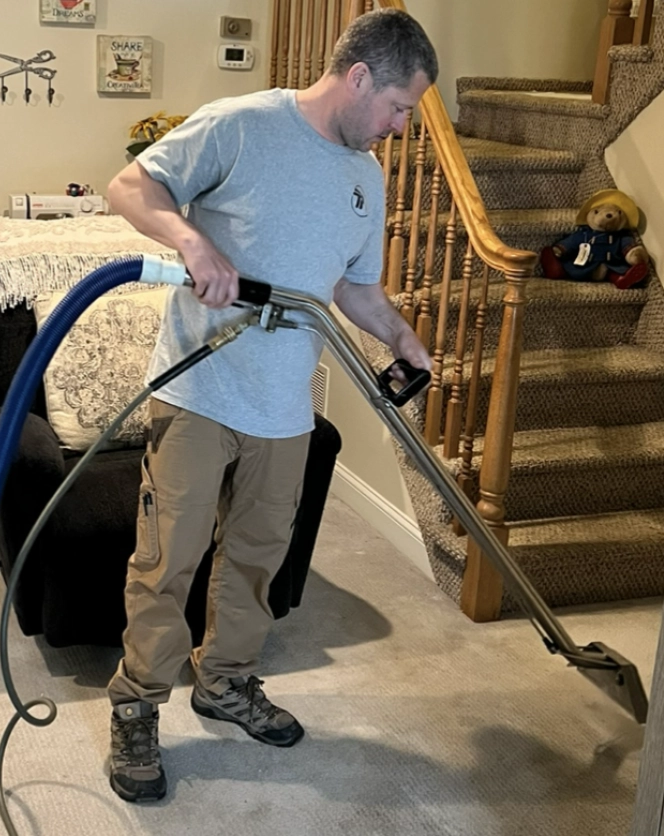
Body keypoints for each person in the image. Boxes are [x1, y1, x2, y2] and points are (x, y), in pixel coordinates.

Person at [102, 8, 438, 803]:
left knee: (256, 560)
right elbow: (131, 186)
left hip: (286, 404)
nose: (399, 126)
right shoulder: (242, 125)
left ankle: (224, 682)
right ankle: (137, 706)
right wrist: (190, 241)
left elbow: (354, 286)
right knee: (166, 562)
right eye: (398, 106)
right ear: (359, 77)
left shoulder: (366, 175)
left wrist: (404, 339)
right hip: (199, 389)